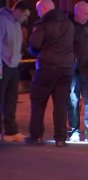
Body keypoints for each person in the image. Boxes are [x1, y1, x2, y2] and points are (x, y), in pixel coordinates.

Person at [25, 0, 74, 147]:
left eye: (39, 11)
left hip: (47, 67)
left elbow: (34, 45)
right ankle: (60, 138)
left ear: (44, 9)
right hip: (66, 68)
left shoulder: (43, 24)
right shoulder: (69, 24)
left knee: (38, 101)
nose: (38, 13)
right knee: (61, 104)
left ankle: (36, 135)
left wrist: (35, 51)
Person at [68, 1, 88, 142]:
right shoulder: (68, 27)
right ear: (78, 13)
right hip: (72, 69)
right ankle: (74, 130)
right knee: (73, 100)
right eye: (86, 13)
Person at [0, 0, 31, 142]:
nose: (25, 18)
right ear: (17, 10)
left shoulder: (17, 23)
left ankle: (11, 131)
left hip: (14, 66)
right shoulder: (2, 20)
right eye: (24, 15)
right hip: (3, 66)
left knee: (11, 99)